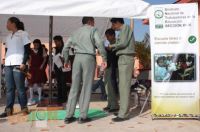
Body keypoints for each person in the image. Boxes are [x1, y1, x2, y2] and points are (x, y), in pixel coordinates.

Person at [62, 17, 107, 124]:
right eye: (93, 22)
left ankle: (68, 116)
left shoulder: (75, 32)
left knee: (74, 87)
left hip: (77, 59)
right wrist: (104, 58)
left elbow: (65, 48)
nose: (94, 23)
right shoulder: (93, 30)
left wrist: (66, 59)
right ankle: (82, 116)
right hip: (89, 58)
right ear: (90, 22)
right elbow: (100, 44)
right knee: (86, 87)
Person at [0, 17, 31, 118]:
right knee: (9, 88)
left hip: (18, 63)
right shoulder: (8, 36)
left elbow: (27, 50)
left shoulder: (23, 34)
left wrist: (24, 62)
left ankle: (24, 108)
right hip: (8, 64)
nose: (6, 25)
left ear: (13, 23)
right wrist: (4, 59)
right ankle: (8, 109)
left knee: (20, 88)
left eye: (8, 22)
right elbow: (8, 49)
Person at [108, 18, 135, 122]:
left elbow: (123, 43)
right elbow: (122, 43)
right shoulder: (124, 30)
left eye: (113, 25)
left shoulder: (125, 28)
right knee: (122, 86)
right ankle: (123, 110)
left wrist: (112, 46)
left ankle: (123, 114)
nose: (112, 27)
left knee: (124, 86)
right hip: (123, 57)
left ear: (117, 23)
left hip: (126, 57)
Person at [103, 28, 119, 112]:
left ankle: (114, 105)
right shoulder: (109, 44)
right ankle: (109, 104)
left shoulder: (117, 43)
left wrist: (109, 50)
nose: (107, 38)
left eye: (108, 36)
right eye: (106, 37)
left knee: (111, 87)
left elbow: (116, 55)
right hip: (108, 67)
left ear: (113, 35)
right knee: (107, 86)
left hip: (113, 67)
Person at [27, 39, 48, 105]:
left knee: (39, 83)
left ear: (39, 44)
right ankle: (31, 98)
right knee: (30, 83)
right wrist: (29, 64)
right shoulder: (30, 51)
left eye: (37, 44)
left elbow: (45, 58)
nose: (36, 45)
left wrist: (42, 65)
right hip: (32, 68)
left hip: (39, 68)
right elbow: (28, 58)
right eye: (35, 44)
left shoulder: (42, 50)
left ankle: (39, 97)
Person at [53, 35, 68, 103]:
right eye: (54, 42)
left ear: (60, 41)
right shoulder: (55, 49)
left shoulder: (65, 48)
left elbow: (68, 57)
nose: (55, 43)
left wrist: (62, 58)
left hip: (64, 67)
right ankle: (59, 97)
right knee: (58, 83)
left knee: (63, 83)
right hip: (57, 67)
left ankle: (64, 97)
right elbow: (54, 58)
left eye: (56, 41)